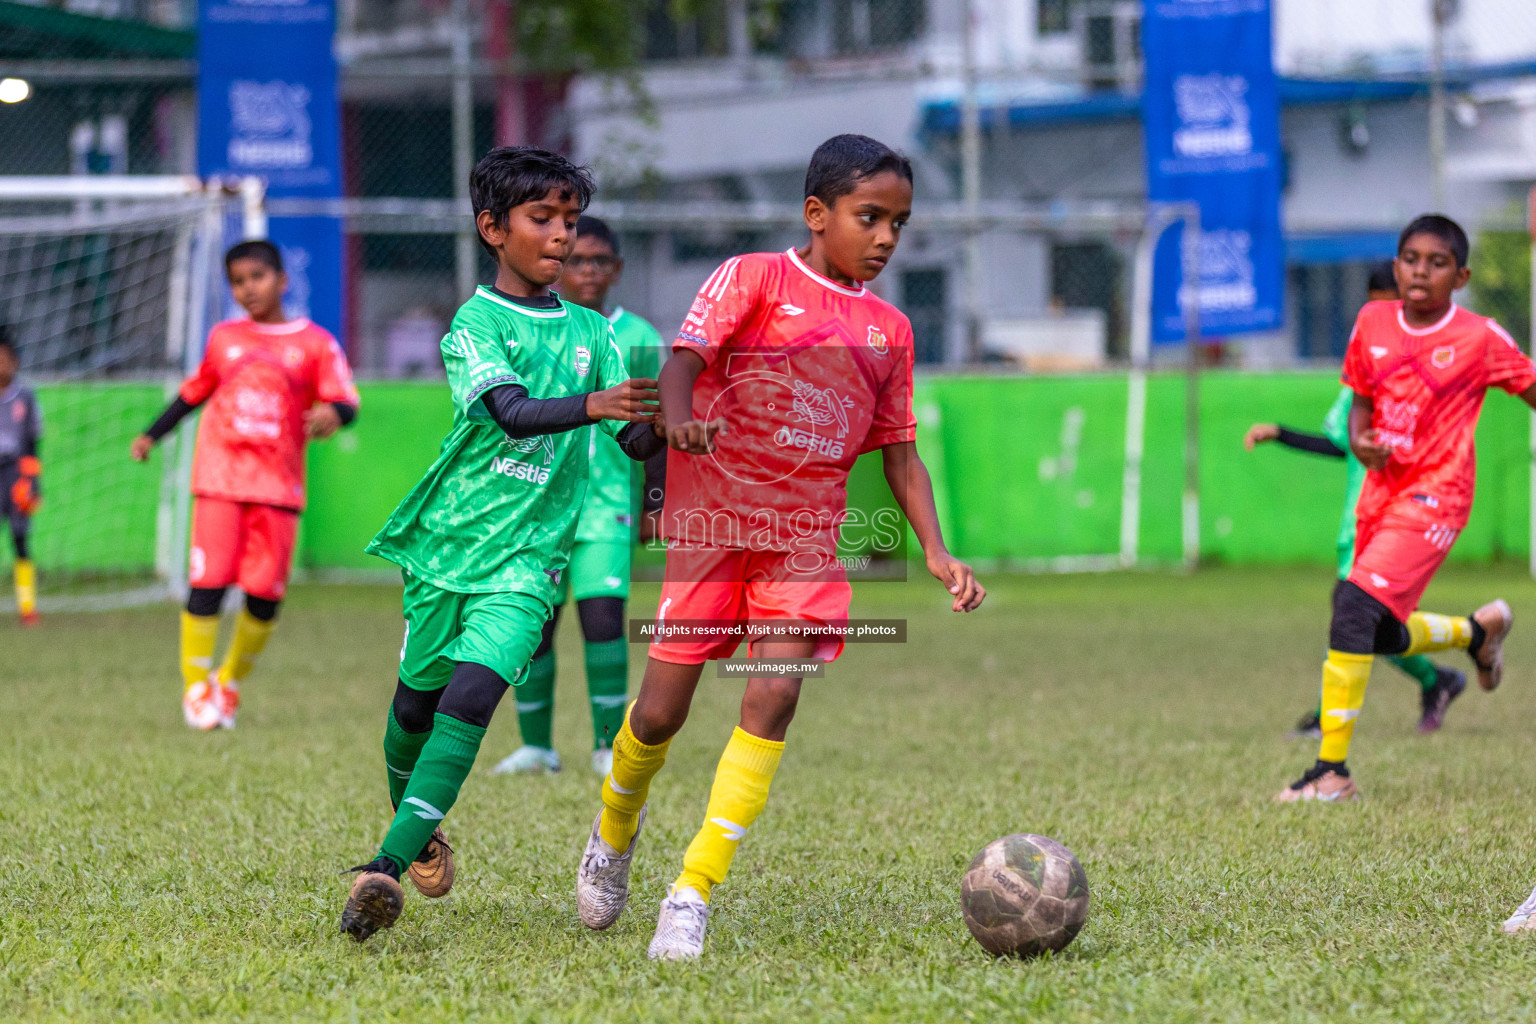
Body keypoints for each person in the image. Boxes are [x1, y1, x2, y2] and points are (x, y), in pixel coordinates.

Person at [573, 134, 986, 961]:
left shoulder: (890, 331)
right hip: (713, 533)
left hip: (803, 545)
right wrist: (682, 419)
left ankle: (692, 890)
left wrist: (936, 551)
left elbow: (900, 452)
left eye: (899, 223)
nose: (886, 238)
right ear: (816, 213)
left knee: (775, 698)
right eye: (870, 218)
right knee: (658, 715)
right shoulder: (755, 278)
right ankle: (614, 831)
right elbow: (685, 363)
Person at [337, 146, 666, 943]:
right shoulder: (475, 323)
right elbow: (513, 413)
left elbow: (635, 438)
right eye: (542, 219)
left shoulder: (596, 332)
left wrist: (676, 445)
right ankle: (416, 821)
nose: (560, 236)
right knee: (413, 709)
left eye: (570, 221)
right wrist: (596, 404)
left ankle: (381, 867)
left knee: (473, 699)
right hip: (449, 548)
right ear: (493, 227)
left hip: (528, 563)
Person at [1275, 215, 1533, 803]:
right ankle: (1475, 633)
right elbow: (1361, 402)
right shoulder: (1371, 321)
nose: (1421, 270)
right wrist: (1363, 438)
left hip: (1438, 495)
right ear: (1396, 268)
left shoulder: (1481, 338)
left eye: (1437, 262)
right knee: (1378, 632)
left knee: (1352, 608)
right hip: (1380, 492)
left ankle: (1330, 773)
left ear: (1460, 275)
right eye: (1411, 258)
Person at [131, 241, 359, 730]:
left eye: (257, 276)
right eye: (237, 281)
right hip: (219, 480)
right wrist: (152, 434)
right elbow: (194, 392)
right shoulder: (223, 338)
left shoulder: (315, 343)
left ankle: (227, 681)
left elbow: (346, 402)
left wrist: (331, 414)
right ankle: (195, 689)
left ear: (282, 280)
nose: (247, 288)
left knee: (264, 597)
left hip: (278, 487)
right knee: (208, 585)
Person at [1245, 260, 1465, 737]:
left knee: (1356, 612)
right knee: (1369, 622)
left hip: (1396, 521)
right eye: (1371, 309)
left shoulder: (1426, 374)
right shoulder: (1365, 372)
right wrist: (1280, 433)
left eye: (1389, 308)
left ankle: (1331, 719)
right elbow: (1342, 442)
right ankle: (1442, 672)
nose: (1380, 322)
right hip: (1358, 521)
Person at [492, 215, 666, 778]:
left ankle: (605, 744)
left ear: (616, 270)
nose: (587, 272)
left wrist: (656, 502)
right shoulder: (538, 328)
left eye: (599, 262)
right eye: (577, 261)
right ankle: (536, 747)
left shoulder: (637, 335)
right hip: (537, 506)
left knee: (602, 621)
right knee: (534, 625)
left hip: (605, 506)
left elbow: (656, 425)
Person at [0, 327, 43, 626]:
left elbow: (32, 445)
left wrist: (32, 484)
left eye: (4, 359)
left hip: (15, 475)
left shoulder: (25, 397)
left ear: (14, 362)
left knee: (19, 537)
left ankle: (27, 606)